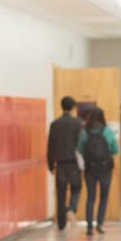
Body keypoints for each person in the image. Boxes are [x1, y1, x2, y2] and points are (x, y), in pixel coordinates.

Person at [78, 107, 119, 236]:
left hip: (90, 168)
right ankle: (99, 224)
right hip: (105, 168)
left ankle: (89, 226)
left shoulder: (85, 132)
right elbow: (115, 150)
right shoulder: (108, 131)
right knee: (104, 196)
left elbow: (80, 149)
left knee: (91, 197)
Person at [47, 96, 83, 230]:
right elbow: (80, 145)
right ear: (73, 107)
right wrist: (83, 164)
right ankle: (71, 208)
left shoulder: (54, 124)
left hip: (60, 163)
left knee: (61, 192)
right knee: (76, 187)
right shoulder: (78, 123)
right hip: (74, 163)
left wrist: (51, 165)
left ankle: (61, 224)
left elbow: (50, 146)